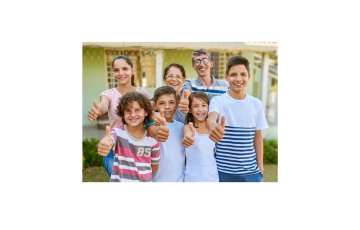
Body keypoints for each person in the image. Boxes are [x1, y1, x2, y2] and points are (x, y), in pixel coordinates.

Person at [87, 55, 168, 177]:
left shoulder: (142, 93)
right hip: (115, 148)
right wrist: (98, 109)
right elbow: (103, 104)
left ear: (132, 70)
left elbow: (149, 113)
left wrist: (155, 115)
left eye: (125, 69)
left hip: (137, 150)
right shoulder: (109, 94)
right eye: (116, 70)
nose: (121, 73)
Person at [206, 56, 269, 182]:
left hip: (251, 173)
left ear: (249, 76)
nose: (238, 79)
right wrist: (213, 126)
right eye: (233, 75)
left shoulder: (256, 104)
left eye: (243, 74)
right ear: (226, 77)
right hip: (223, 172)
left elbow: (257, 136)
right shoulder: (218, 101)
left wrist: (260, 166)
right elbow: (210, 119)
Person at [97, 92, 160, 182]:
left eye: (137, 110)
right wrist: (106, 143)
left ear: (146, 112)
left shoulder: (153, 139)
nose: (133, 114)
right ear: (123, 114)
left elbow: (154, 166)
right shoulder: (117, 132)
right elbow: (111, 139)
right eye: (128, 110)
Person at [178, 48, 229, 114]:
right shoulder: (190, 83)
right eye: (197, 61)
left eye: (205, 60)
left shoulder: (225, 86)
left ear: (211, 64)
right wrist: (184, 100)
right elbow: (185, 91)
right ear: (193, 67)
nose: (201, 64)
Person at [182, 91, 219, 182]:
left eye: (203, 105)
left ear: (208, 108)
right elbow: (186, 131)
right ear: (190, 110)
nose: (200, 109)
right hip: (192, 179)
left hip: (213, 179)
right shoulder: (188, 128)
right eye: (195, 106)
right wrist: (188, 135)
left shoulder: (213, 129)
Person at [151, 86, 186, 182]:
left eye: (171, 102)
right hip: (156, 180)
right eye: (162, 103)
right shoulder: (150, 127)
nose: (167, 107)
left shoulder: (181, 127)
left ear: (177, 104)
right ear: (155, 106)